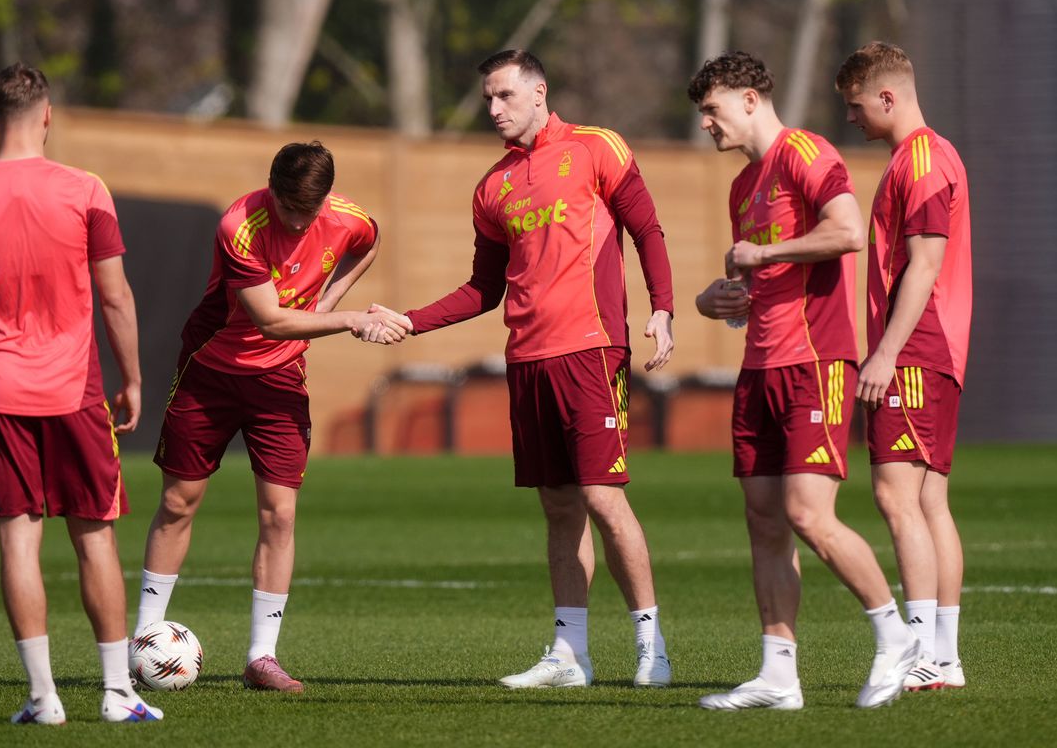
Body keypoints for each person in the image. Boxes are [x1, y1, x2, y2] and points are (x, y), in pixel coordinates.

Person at [370, 49, 676, 689]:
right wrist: (410, 320)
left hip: (591, 351)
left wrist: (663, 308)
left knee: (603, 498)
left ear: (539, 92)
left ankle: (653, 649)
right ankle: (570, 655)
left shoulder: (597, 147)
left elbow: (648, 229)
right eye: (487, 97)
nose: (493, 108)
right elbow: (483, 289)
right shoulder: (492, 187)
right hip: (527, 361)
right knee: (560, 508)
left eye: (504, 95)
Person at [0, 63, 162, 724]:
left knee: (17, 544)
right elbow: (115, 297)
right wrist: (133, 378)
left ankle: (43, 698)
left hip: (1, 393)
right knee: (95, 540)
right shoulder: (86, 189)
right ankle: (117, 695)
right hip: (76, 392)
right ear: (49, 114)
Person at [688, 51, 919, 710]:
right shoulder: (742, 186)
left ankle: (896, 635)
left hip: (815, 362)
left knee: (807, 515)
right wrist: (717, 301)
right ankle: (778, 674)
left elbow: (846, 232)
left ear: (750, 100)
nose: (706, 123)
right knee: (764, 521)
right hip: (759, 365)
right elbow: (753, 280)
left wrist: (763, 253)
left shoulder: (805, 153)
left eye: (712, 109)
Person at [133, 141, 408, 693]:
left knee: (280, 515)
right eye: (288, 209)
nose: (298, 222)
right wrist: (348, 319)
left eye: (309, 211)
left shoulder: (348, 219)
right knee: (179, 502)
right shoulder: (240, 225)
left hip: (280, 380)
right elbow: (270, 322)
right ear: (272, 190)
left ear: (327, 198)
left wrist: (325, 304)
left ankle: (262, 657)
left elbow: (370, 241)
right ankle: (142, 641)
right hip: (211, 369)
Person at [836, 41, 971, 691]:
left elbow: (925, 262)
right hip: (935, 348)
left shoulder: (919, 159)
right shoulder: (932, 154)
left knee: (896, 496)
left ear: (887, 97)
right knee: (929, 501)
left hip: (916, 348)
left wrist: (886, 352)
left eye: (856, 106)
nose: (852, 118)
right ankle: (942, 655)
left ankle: (919, 651)